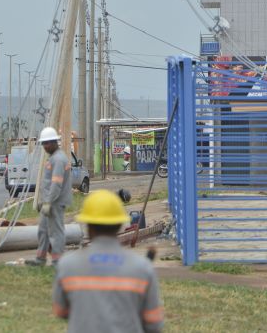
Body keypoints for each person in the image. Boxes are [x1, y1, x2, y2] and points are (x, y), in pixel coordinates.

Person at [52, 189, 164, 333]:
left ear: (88, 226)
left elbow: (60, 311)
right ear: (119, 225)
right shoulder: (142, 268)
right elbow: (153, 323)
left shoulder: (67, 266)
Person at [25, 126, 72, 267]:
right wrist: (44, 201)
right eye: (43, 143)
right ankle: (40, 258)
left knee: (56, 232)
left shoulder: (58, 159)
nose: (45, 146)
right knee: (43, 230)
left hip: (55, 202)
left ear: (54, 142)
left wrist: (48, 202)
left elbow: (56, 184)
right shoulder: (53, 158)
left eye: (47, 143)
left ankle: (57, 261)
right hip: (50, 201)